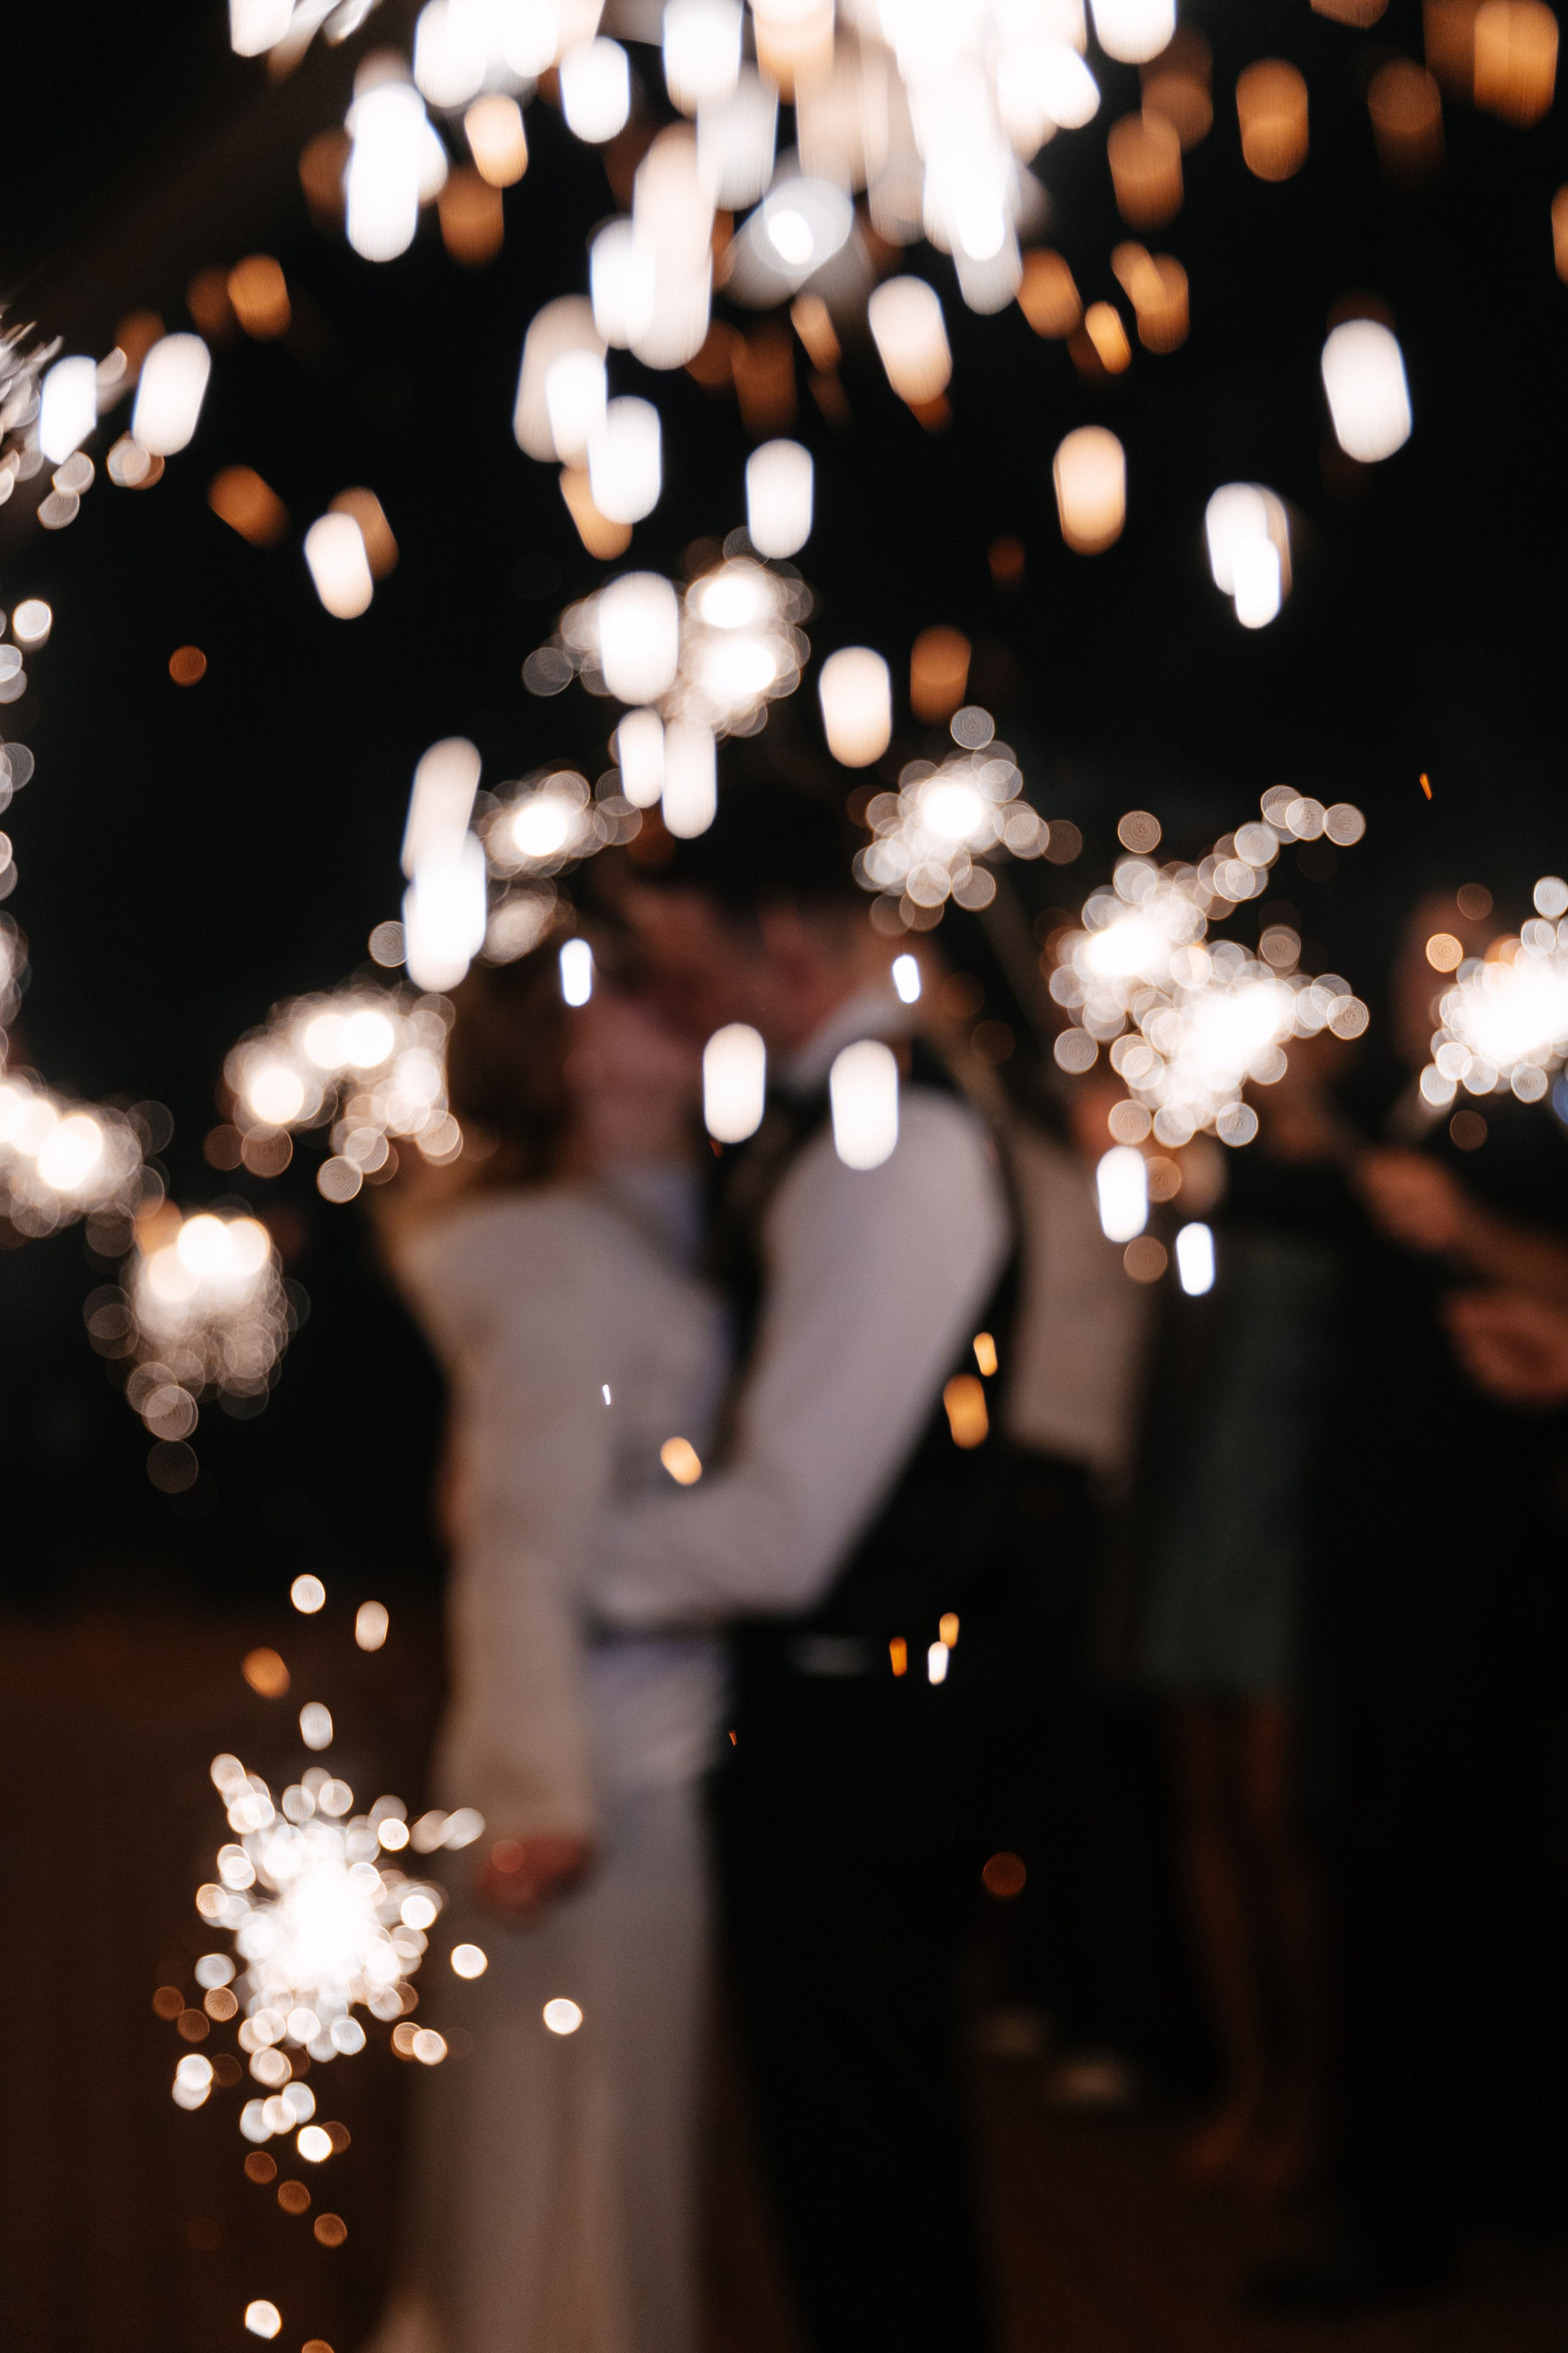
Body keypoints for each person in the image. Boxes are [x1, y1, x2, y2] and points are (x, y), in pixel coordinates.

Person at [590, 781, 1012, 2353]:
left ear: (777, 937)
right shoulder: (826, 1125)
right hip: (833, 1716)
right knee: (839, 2161)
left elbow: (786, 1528)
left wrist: (546, 1558)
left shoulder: (891, 1148)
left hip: (863, 1729)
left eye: (681, 968)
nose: (671, 1006)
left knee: (867, 2170)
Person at [365, 935, 728, 2353]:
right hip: (597, 1754)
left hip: (626, 1725)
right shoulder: (555, 1259)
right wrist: (539, 1795)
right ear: (571, 1054)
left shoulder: (620, 1221)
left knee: (588, 2123)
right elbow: (519, 1536)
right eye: (628, 988)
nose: (671, 990)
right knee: (575, 2128)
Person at [1254, 891, 1568, 2312]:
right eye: (1413, 948)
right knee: (1402, 1860)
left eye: (1455, 955)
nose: (1421, 979)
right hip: (1378, 1553)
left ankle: (1417, 2196)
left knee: (1444, 1876)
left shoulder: (1531, 1121)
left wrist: (1472, 1236)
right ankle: (1445, 2172)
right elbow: (1275, 1200)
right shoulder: (1401, 1107)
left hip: (1486, 1567)